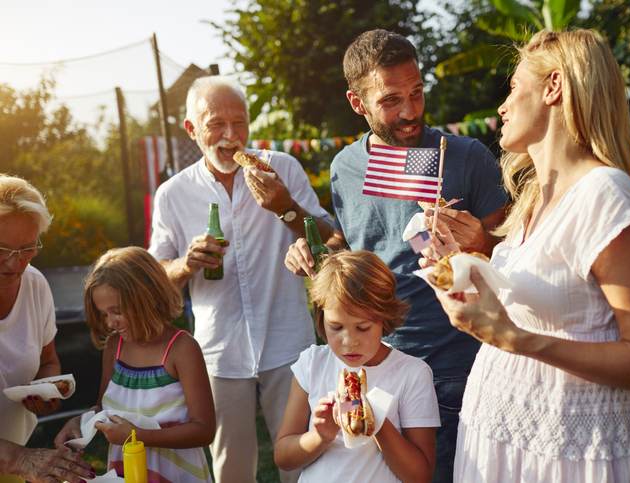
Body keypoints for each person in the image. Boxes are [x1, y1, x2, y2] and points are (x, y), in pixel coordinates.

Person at [427, 29, 630, 482]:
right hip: (507, 441)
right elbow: (554, 298)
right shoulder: (532, 201)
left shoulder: (606, 195)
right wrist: (466, 265)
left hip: (574, 454)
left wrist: (515, 339)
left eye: (512, 87)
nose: (501, 107)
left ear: (553, 87)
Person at [284, 29, 508, 482]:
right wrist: (314, 254)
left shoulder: (465, 156)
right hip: (379, 359)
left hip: (459, 359)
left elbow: (516, 253)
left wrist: (483, 243)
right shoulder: (345, 167)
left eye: (417, 93)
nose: (410, 111)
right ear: (357, 102)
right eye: (390, 100)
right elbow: (356, 251)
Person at [149, 75, 334, 483]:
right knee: (231, 468)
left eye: (240, 123)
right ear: (192, 129)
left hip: (288, 342)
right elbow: (154, 277)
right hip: (220, 352)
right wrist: (186, 263)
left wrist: (285, 207)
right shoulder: (173, 194)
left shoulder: (281, 168)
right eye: (216, 124)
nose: (231, 136)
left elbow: (330, 238)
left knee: (303, 464)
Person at [275, 250, 440, 482]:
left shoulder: (412, 373)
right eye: (336, 327)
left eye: (362, 328)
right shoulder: (312, 363)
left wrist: (376, 423)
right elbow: (283, 457)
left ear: (384, 318)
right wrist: (320, 436)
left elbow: (420, 475)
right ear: (321, 317)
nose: (349, 341)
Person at [55, 246, 215, 482]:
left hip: (174, 473)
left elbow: (204, 430)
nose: (110, 322)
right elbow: (103, 408)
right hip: (127, 472)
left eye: (116, 311)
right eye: (103, 314)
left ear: (147, 297)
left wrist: (137, 436)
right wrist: (79, 422)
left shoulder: (182, 349)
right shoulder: (114, 347)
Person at [0, 174, 94, 483]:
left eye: (27, 249)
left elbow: (48, 360)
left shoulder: (35, 285)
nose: (15, 264)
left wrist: (45, 388)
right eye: (1, 249)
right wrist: (19, 458)